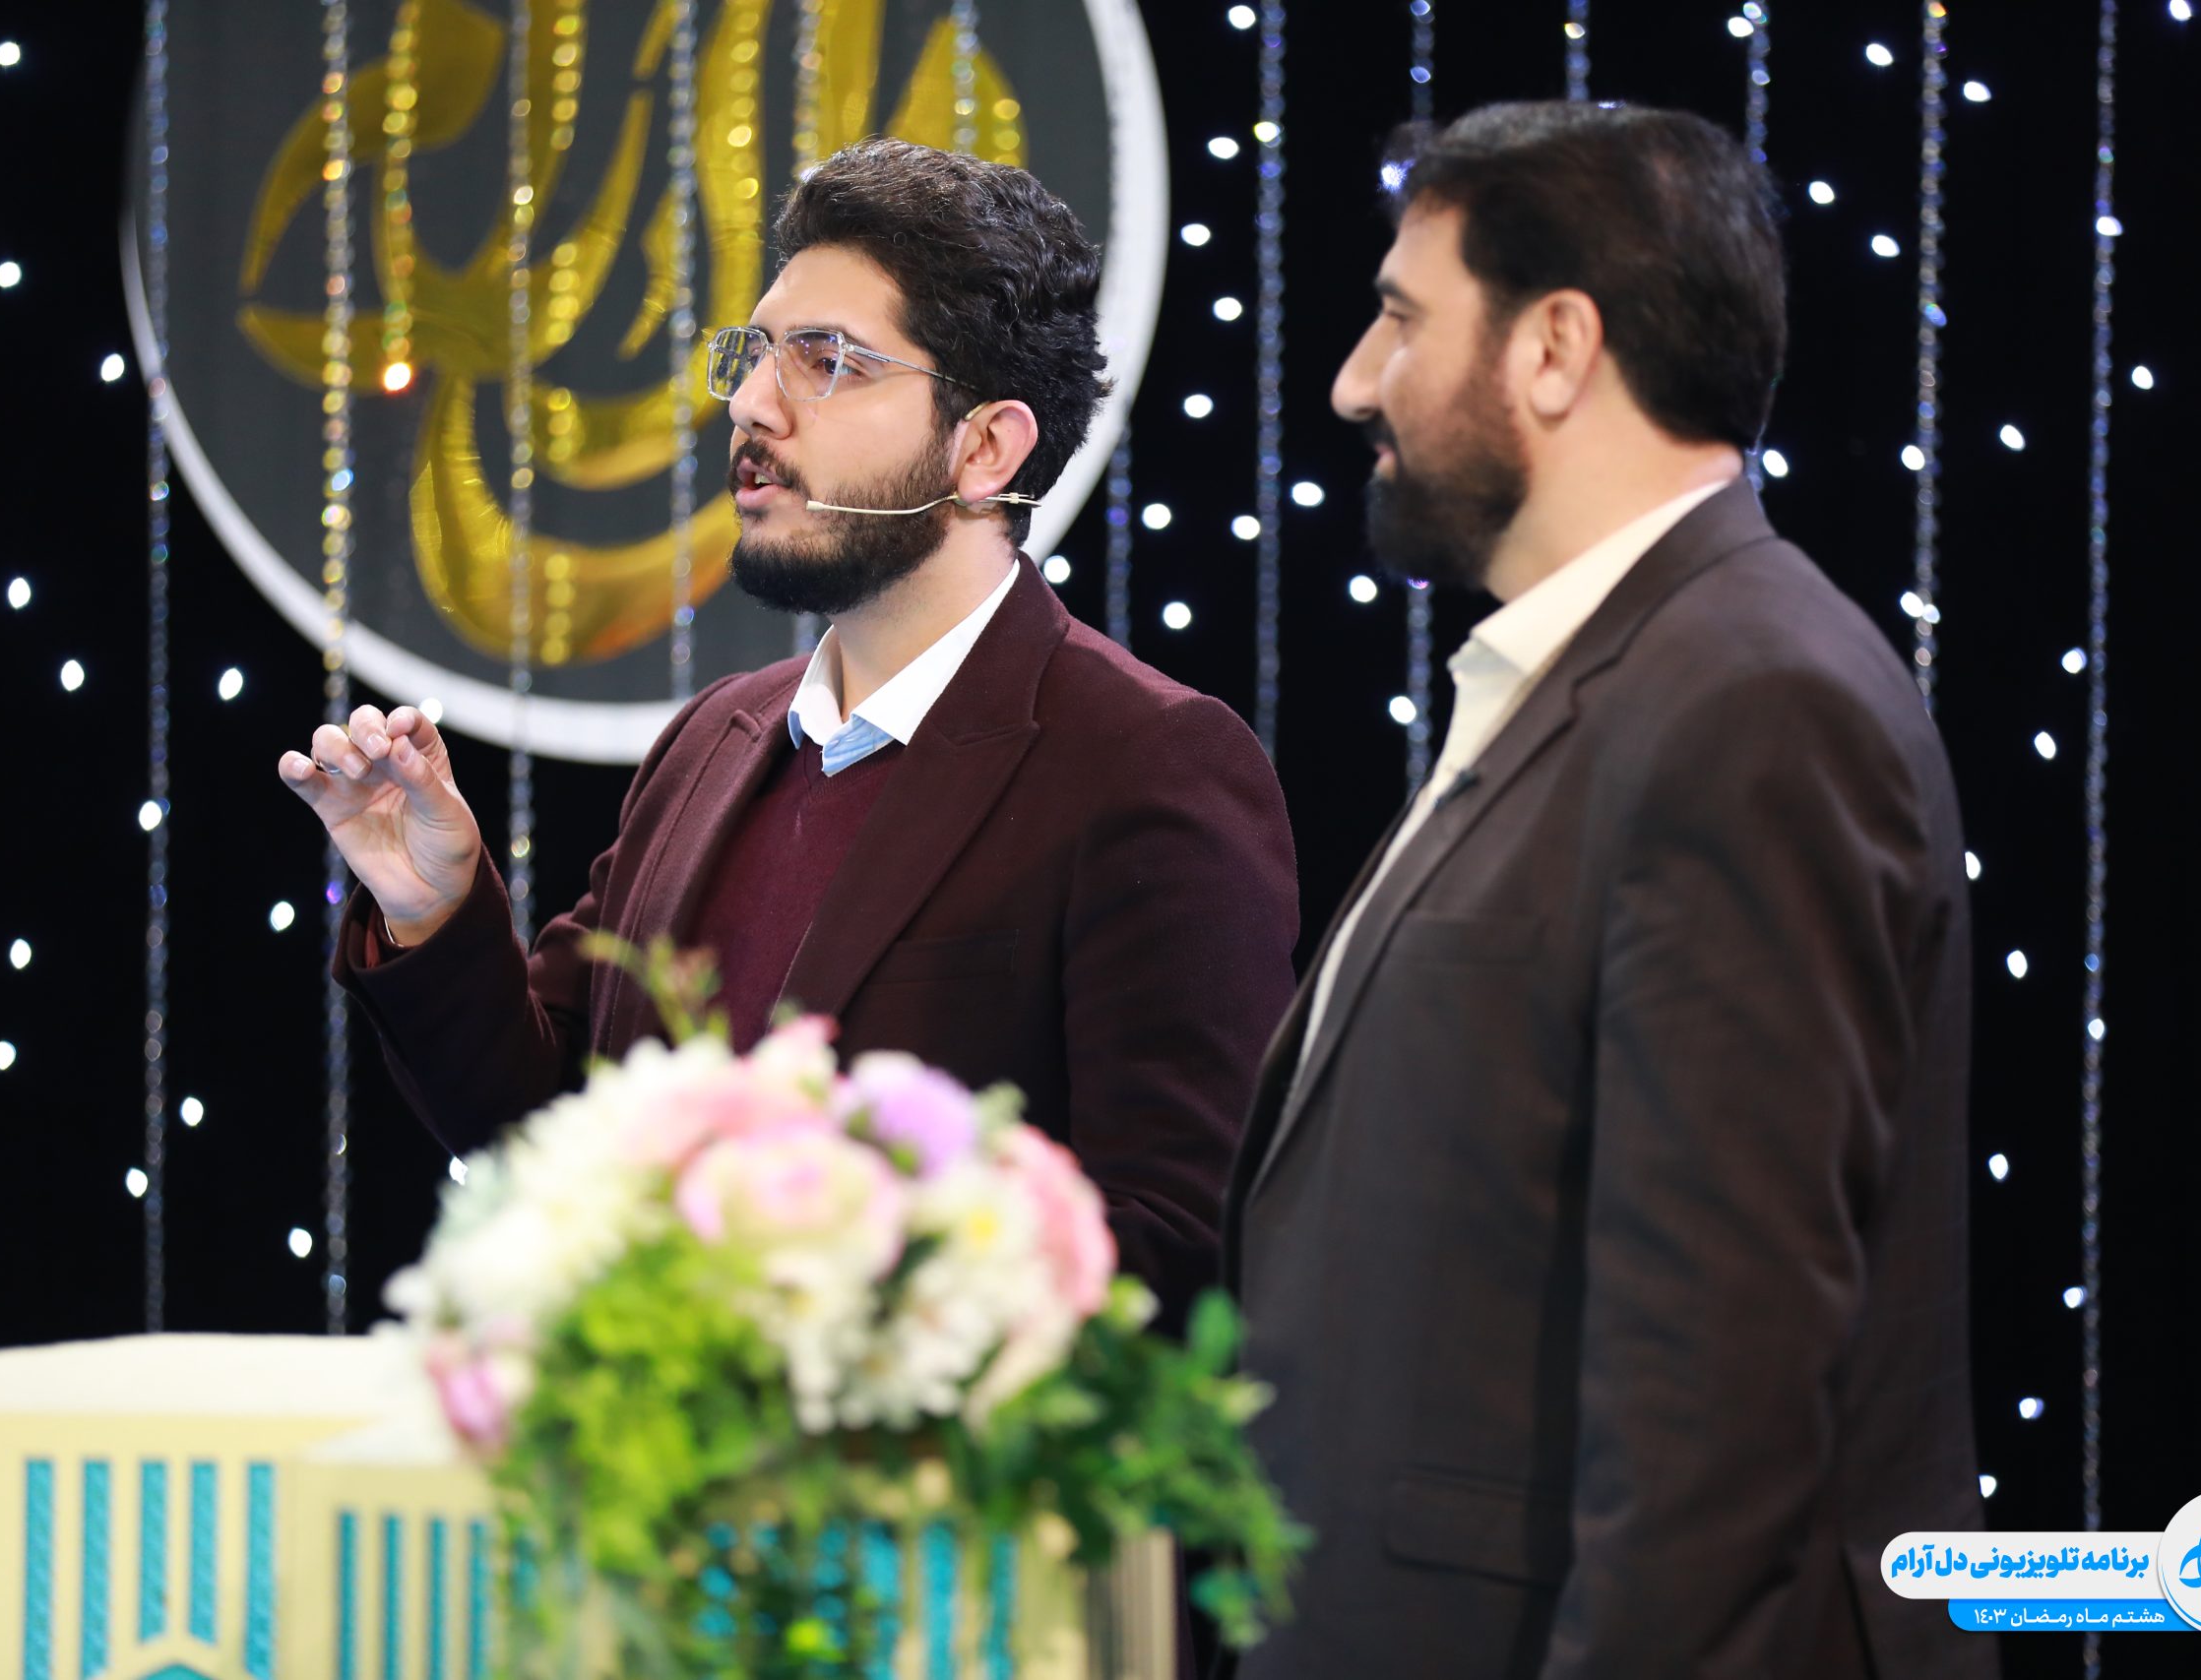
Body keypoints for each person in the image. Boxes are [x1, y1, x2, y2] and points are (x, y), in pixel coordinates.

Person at [280, 138, 1299, 1334]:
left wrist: (827, 1319)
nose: (753, 404)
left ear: (985, 448)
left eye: (826, 361)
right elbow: (554, 1145)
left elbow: (1181, 1247)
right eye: (757, 353)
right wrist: (436, 911)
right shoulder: (713, 740)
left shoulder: (1143, 763)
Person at [1222, 103, 1994, 1678]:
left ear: (1556, 348)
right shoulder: (1633, 673)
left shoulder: (1754, 703)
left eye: (1401, 317)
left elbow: (1720, 1409)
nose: (1355, 381)